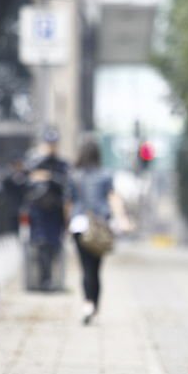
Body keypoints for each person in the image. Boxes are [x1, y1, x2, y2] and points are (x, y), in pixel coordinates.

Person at [67, 138, 123, 325]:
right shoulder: (106, 175)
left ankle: (87, 303)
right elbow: (113, 198)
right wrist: (122, 219)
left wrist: (66, 223)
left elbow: (68, 203)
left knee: (85, 268)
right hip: (100, 226)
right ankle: (95, 306)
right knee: (96, 269)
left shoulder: (74, 175)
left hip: (79, 225)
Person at [25, 129, 69, 290]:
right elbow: (27, 181)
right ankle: (44, 280)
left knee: (54, 245)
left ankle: (50, 279)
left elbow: (65, 184)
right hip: (38, 210)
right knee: (41, 243)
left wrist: (49, 176)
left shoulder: (61, 164)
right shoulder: (35, 162)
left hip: (55, 211)